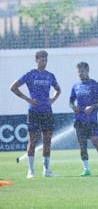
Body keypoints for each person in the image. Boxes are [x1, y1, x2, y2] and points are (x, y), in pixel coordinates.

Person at [10, 50, 61, 179]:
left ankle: (46, 170)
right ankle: (31, 171)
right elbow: (13, 87)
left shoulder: (50, 75)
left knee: (47, 141)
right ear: (36, 60)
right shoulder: (30, 74)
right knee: (32, 141)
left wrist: (53, 99)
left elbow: (58, 90)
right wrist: (27, 99)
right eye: (42, 60)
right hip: (33, 112)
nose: (44, 62)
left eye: (46, 60)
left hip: (47, 112)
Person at [69, 62, 98, 176]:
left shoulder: (95, 84)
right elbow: (70, 100)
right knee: (82, 145)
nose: (80, 74)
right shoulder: (75, 86)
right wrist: (73, 106)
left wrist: (92, 107)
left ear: (87, 70)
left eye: (82, 71)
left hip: (91, 120)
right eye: (78, 71)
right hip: (79, 120)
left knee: (96, 141)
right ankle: (86, 169)